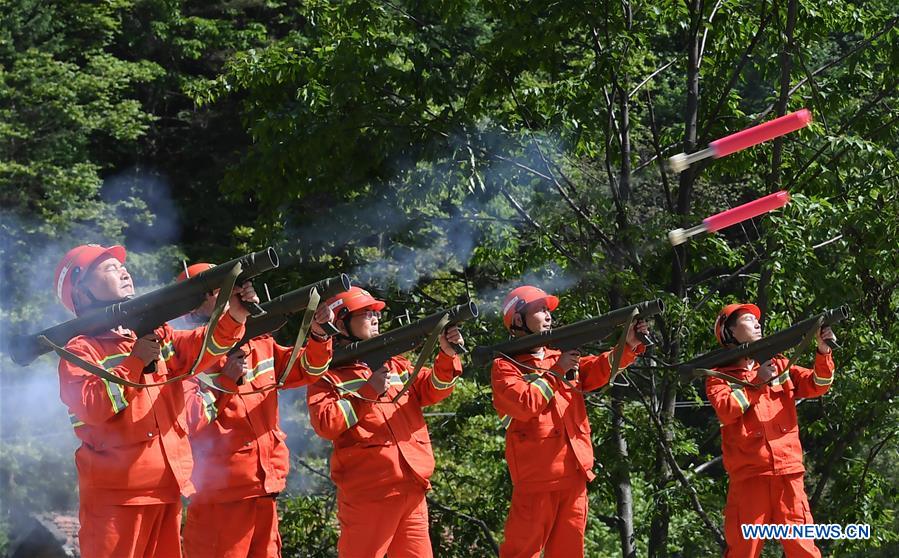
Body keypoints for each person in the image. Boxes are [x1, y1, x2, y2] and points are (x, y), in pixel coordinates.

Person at [54, 244, 257, 558]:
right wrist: (134, 363)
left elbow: (202, 347)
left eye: (122, 266)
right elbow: (92, 406)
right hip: (116, 500)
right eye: (109, 268)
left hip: (167, 488)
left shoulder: (157, 333)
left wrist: (234, 316)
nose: (123, 271)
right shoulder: (81, 349)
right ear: (81, 294)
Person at [177, 262, 335, 558]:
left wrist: (319, 336)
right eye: (222, 289)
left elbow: (307, 369)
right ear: (192, 306)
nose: (235, 292)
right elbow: (188, 420)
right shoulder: (186, 353)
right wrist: (225, 382)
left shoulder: (260, 342)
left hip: (264, 487)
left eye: (236, 285)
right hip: (220, 496)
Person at [306, 286, 464, 558]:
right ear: (341, 323)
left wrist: (447, 355)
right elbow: (326, 424)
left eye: (374, 313)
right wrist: (367, 392)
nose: (375, 318)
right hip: (370, 493)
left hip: (412, 486)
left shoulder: (397, 365)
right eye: (365, 314)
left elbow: (434, 388)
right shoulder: (329, 375)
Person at [491, 286, 649, 558]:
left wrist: (629, 344)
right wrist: (557, 371)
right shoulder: (505, 366)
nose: (549, 315)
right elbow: (524, 404)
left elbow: (599, 368)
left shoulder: (557, 358)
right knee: (521, 553)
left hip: (574, 474)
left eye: (548, 310)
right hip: (538, 478)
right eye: (540, 309)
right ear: (517, 320)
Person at [706, 303, 836, 558]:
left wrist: (823, 351)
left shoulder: (779, 364)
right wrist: (757, 382)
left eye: (757, 320)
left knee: (804, 550)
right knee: (744, 552)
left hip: (788, 476)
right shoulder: (718, 376)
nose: (757, 323)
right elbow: (726, 409)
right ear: (728, 331)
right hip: (749, 479)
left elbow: (818, 384)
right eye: (747, 319)